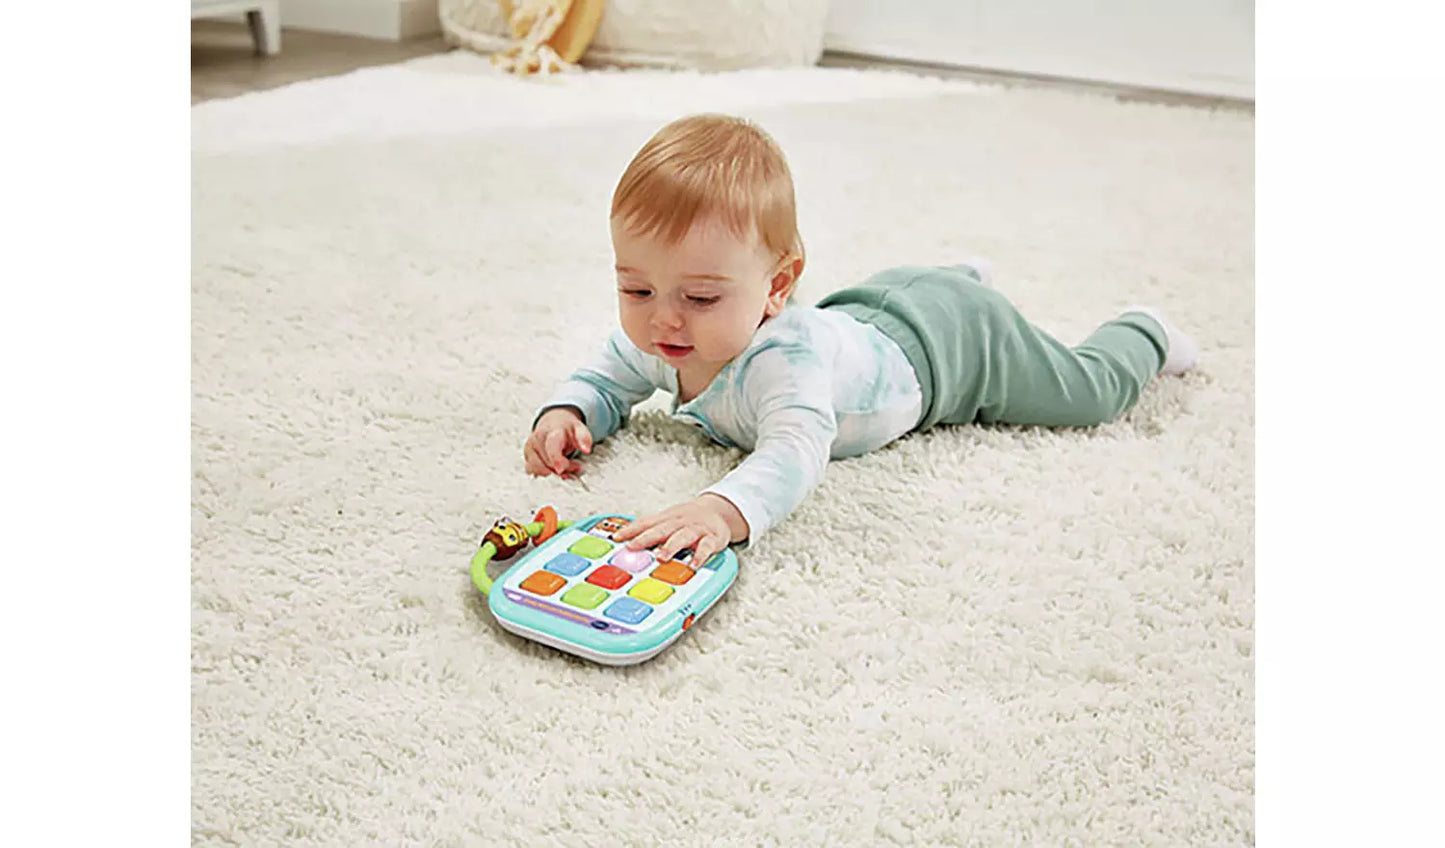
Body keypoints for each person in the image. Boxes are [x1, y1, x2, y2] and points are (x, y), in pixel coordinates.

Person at [522, 113, 1198, 567]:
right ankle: (954, 274)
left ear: (776, 287)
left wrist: (720, 508)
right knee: (893, 306)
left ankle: (1142, 331)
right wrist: (570, 412)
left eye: (699, 298)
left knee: (1085, 396)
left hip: (951, 352)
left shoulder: (784, 366)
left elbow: (795, 450)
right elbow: (608, 373)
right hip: (874, 311)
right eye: (636, 290)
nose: (663, 320)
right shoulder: (663, 335)